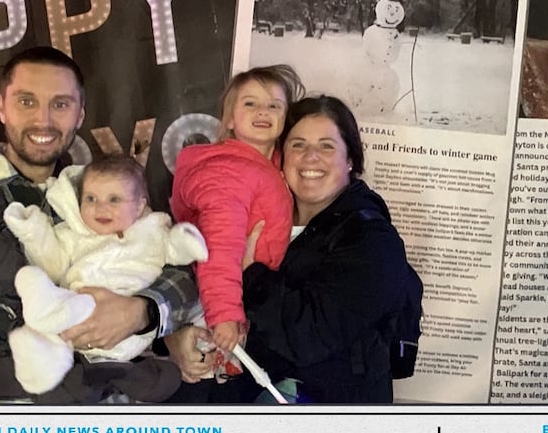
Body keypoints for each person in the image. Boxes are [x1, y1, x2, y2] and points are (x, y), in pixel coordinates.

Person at [0, 46, 200, 403]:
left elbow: (177, 273)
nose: (43, 120)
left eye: (60, 104)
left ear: (79, 114)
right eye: (26, 101)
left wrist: (144, 310)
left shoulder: (95, 193)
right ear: (1, 106)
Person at [167, 95, 419, 403]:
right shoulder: (249, 216)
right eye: (298, 145)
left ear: (350, 159)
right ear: (281, 157)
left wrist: (251, 274)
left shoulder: (373, 241)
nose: (311, 156)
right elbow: (187, 280)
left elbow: (308, 336)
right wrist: (173, 338)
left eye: (327, 146)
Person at [2, 154, 208, 400]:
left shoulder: (151, 232)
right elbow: (53, 263)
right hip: (77, 316)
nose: (100, 208)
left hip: (128, 329)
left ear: (139, 206)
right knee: (38, 286)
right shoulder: (74, 234)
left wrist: (187, 241)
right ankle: (44, 354)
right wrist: (33, 231)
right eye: (91, 199)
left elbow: (175, 251)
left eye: (114, 199)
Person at [169, 65, 304, 366]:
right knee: (216, 378)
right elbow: (218, 247)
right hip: (220, 303)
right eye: (250, 103)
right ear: (229, 119)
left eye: (274, 105)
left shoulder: (270, 168)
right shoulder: (228, 171)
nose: (262, 112)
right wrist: (225, 314)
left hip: (253, 295)